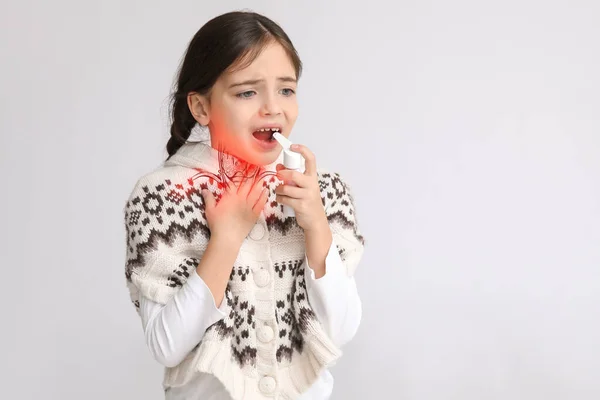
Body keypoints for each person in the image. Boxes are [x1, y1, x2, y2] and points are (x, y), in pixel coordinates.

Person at [123, 10, 366, 400]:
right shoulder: (162, 197)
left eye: (286, 90)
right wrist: (227, 238)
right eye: (247, 92)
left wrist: (317, 225)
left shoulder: (323, 191)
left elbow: (341, 330)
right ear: (201, 108)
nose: (273, 107)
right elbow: (167, 345)